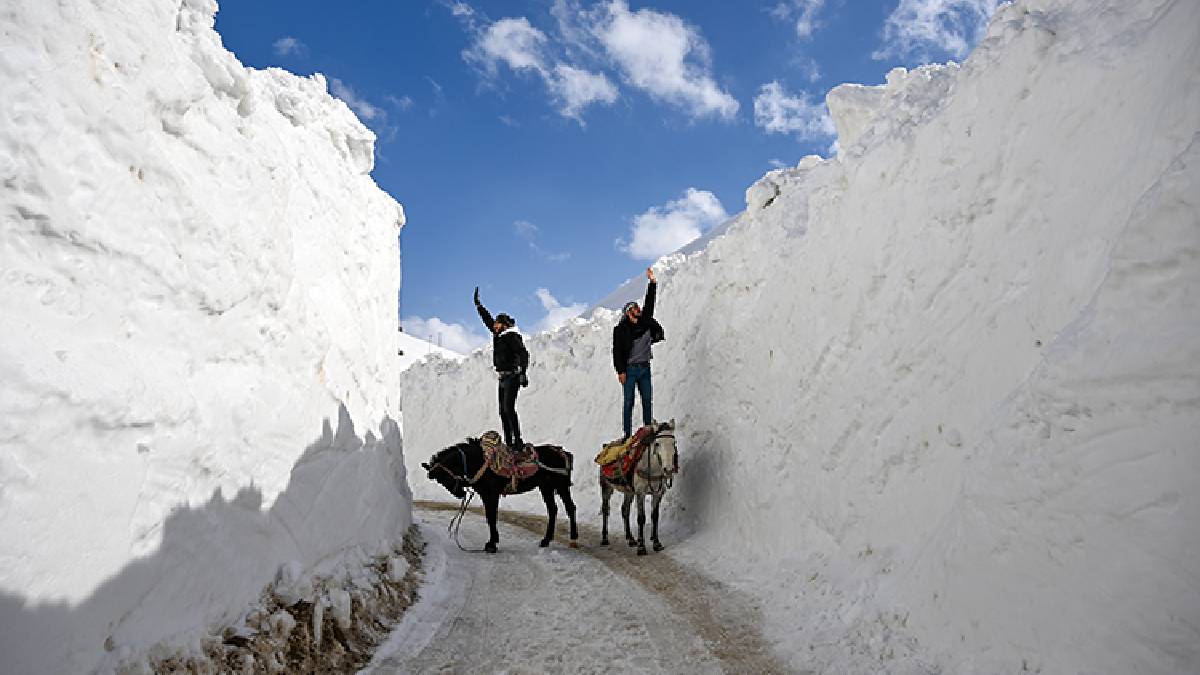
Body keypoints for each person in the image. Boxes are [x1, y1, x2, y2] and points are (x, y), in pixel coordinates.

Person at [612, 268, 665, 440]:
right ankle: (627, 434)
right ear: (628, 313)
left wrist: (652, 283)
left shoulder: (645, 321)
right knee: (629, 402)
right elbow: (617, 351)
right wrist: (620, 371)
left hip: (645, 369)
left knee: (647, 399)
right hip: (630, 370)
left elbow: (650, 302)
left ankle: (648, 427)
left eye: (637, 306)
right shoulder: (620, 330)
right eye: (635, 308)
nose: (638, 308)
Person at [474, 287, 529, 450]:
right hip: (502, 378)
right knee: (502, 411)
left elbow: (524, 353)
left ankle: (517, 440)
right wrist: (479, 306)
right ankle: (509, 441)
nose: (494, 326)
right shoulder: (499, 335)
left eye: (497, 324)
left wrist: (523, 373)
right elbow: (487, 320)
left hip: (513, 376)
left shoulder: (512, 337)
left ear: (504, 325)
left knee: (509, 408)